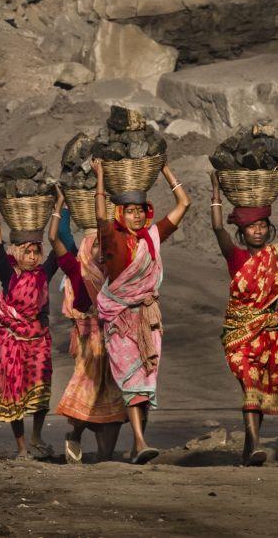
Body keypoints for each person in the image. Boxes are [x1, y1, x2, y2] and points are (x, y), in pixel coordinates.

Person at [92, 158, 191, 464]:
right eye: (130, 211)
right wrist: (101, 177)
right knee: (133, 383)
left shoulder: (152, 237)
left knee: (145, 385)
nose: (135, 216)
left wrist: (164, 171)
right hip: (120, 320)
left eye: (140, 211)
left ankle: (138, 445)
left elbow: (184, 203)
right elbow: (99, 216)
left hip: (147, 319)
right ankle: (139, 440)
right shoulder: (112, 238)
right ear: (120, 213)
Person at [210, 171, 278, 466]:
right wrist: (215, 190)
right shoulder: (235, 257)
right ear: (243, 231)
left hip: (267, 333)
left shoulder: (277, 254)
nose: (258, 230)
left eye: (263, 225)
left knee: (256, 392)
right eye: (252, 226)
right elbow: (217, 227)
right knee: (251, 385)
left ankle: (249, 449)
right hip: (238, 332)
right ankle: (255, 446)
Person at [49, 191, 127, 463]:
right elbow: (56, 238)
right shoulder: (76, 270)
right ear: (85, 249)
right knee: (89, 390)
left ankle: (105, 458)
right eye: (94, 246)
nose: (99, 252)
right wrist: (61, 205)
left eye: (103, 247)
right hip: (89, 342)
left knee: (116, 395)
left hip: (117, 341)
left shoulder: (118, 272)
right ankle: (76, 434)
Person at [0, 200, 59, 459]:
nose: (32, 257)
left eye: (35, 252)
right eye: (27, 252)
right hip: (12, 343)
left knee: (41, 389)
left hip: (38, 340)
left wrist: (58, 209)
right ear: (18, 252)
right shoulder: (10, 275)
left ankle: (37, 436)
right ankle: (21, 448)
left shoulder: (43, 274)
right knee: (15, 395)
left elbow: (60, 252)